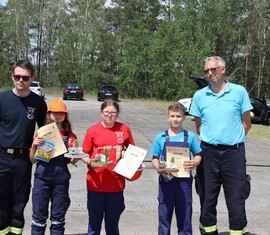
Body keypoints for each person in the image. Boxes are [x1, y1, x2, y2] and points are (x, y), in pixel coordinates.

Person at [189, 56, 252, 235]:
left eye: (213, 69)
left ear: (223, 69)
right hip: (208, 152)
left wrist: (232, 139)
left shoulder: (239, 92)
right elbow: (199, 126)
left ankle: (238, 232)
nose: (210, 73)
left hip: (234, 153)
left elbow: (247, 123)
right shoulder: (199, 96)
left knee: (236, 199)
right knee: (207, 197)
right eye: (206, 71)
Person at [0, 60, 47, 235]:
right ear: (12, 77)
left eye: (25, 78)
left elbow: (46, 131)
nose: (21, 80)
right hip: (2, 156)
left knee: (20, 202)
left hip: (23, 159)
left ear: (31, 78)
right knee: (1, 203)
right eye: (17, 76)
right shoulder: (2, 99)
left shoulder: (38, 103)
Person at [81, 99, 135, 235]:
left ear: (118, 114)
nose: (109, 115)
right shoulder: (92, 130)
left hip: (116, 185)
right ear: (101, 113)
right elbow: (83, 153)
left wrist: (126, 154)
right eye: (106, 112)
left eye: (113, 112)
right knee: (94, 223)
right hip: (95, 184)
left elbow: (134, 153)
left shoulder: (124, 130)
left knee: (112, 224)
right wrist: (89, 162)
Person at [151, 102, 202, 235]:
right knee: (164, 217)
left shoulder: (189, 136)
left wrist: (195, 162)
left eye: (178, 116)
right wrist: (158, 167)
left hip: (184, 183)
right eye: (172, 116)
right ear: (167, 117)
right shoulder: (160, 137)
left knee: (185, 218)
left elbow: (198, 155)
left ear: (184, 118)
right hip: (166, 182)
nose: (175, 119)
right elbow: (154, 157)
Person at [29, 100, 78, 235]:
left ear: (65, 115)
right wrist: (34, 145)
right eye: (55, 113)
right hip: (42, 179)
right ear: (49, 114)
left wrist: (76, 155)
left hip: (61, 180)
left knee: (58, 219)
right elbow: (32, 160)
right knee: (38, 218)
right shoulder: (42, 133)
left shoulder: (70, 136)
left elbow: (72, 160)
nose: (58, 116)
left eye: (61, 113)